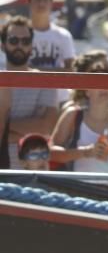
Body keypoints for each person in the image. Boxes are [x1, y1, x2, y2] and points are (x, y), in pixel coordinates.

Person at [50, 51, 108, 175]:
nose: (104, 87)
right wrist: (85, 152)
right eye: (97, 82)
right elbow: (51, 153)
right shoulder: (72, 114)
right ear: (86, 91)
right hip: (78, 189)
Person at [0, 16, 58, 168]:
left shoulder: (45, 80)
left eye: (25, 41)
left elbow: (47, 127)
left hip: (33, 173)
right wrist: (29, 129)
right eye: (13, 40)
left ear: (31, 47)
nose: (20, 45)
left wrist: (4, 127)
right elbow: (40, 128)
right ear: (3, 45)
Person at [26, 0, 75, 71]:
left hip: (56, 85)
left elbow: (71, 70)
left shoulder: (64, 35)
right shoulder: (19, 35)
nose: (41, 3)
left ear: (51, 2)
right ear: (29, 1)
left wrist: (35, 71)